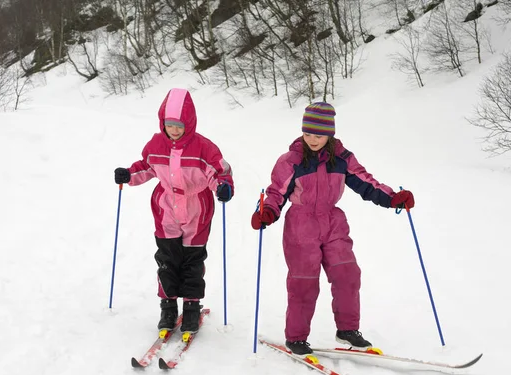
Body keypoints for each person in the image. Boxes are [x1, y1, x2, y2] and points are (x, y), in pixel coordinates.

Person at [251, 102, 414, 355]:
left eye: (318, 135)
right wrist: (268, 212)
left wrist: (392, 197)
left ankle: (347, 329)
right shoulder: (291, 160)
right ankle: (296, 337)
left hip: (333, 221)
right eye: (307, 134)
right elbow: (276, 192)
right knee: (304, 282)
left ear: (330, 134)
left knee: (348, 273)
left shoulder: (342, 158)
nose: (312, 140)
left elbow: (365, 182)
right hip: (301, 226)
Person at [115, 88, 234, 333]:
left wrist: (223, 187)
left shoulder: (203, 147)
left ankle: (191, 306)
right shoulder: (156, 143)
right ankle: (168, 306)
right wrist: (128, 174)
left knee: (192, 259)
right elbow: (146, 167)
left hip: (196, 208)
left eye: (179, 125)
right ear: (162, 123)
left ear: (189, 123)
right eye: (169, 125)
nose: (175, 130)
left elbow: (219, 171)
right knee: (167, 258)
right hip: (166, 207)